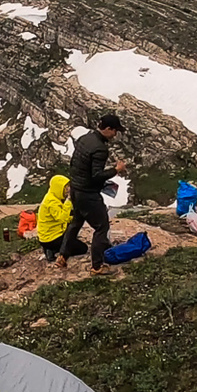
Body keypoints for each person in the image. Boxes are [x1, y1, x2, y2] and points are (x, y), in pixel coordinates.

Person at [58, 112, 126, 272]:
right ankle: (97, 265)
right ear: (108, 129)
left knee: (76, 222)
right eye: (115, 130)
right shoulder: (100, 149)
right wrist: (116, 170)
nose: (116, 134)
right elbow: (96, 176)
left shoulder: (84, 138)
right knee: (101, 226)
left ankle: (62, 256)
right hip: (88, 194)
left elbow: (75, 163)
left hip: (76, 189)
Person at [36, 175, 75, 261]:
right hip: (52, 238)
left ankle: (50, 249)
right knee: (82, 248)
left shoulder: (52, 197)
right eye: (66, 187)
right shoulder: (52, 202)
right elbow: (62, 218)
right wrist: (69, 200)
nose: (68, 189)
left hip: (47, 236)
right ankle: (53, 250)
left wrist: (71, 218)